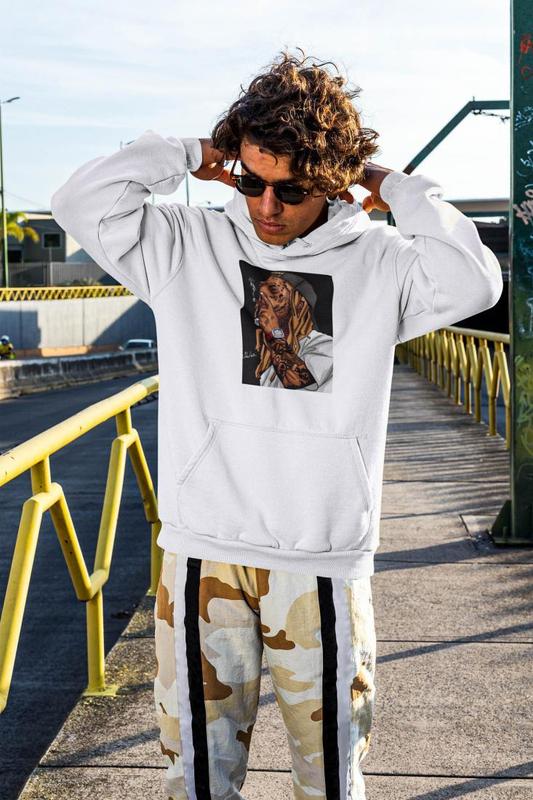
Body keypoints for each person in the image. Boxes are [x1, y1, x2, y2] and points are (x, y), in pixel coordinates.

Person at [50, 47, 503, 800]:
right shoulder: (184, 244)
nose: (266, 206)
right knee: (196, 778)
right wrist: (192, 151)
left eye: (290, 190)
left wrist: (391, 185)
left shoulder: (381, 262)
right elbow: (79, 201)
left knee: (330, 779)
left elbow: (475, 279)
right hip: (203, 550)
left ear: (331, 181)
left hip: (320, 557)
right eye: (251, 181)